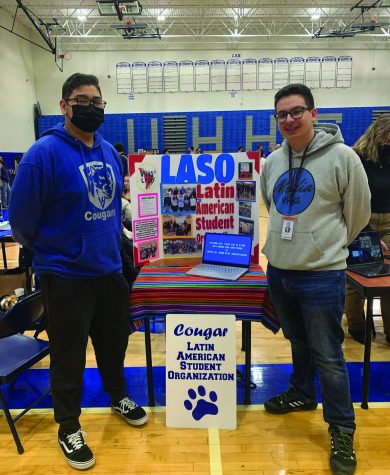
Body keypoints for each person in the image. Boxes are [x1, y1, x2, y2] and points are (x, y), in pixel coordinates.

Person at [8, 73, 148, 471]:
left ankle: (117, 394)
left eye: (98, 101)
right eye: (82, 100)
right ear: (64, 106)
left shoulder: (108, 152)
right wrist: (59, 249)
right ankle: (68, 424)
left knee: (113, 346)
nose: (92, 107)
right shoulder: (43, 154)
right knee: (69, 357)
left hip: (109, 272)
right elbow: (21, 224)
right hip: (65, 278)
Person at [260, 83, 371, 475]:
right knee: (298, 340)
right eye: (281, 115)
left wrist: (325, 248)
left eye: (296, 111)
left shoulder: (343, 158)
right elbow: (271, 206)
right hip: (281, 270)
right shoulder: (272, 161)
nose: (289, 120)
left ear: (314, 113)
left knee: (328, 354)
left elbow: (358, 214)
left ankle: (342, 429)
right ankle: (302, 394)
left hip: (323, 275)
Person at [345, 114, 390, 345]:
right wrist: (364, 229)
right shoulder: (357, 157)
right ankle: (356, 324)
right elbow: (352, 196)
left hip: (389, 220)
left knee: (387, 279)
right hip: (363, 217)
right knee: (358, 272)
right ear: (381, 134)